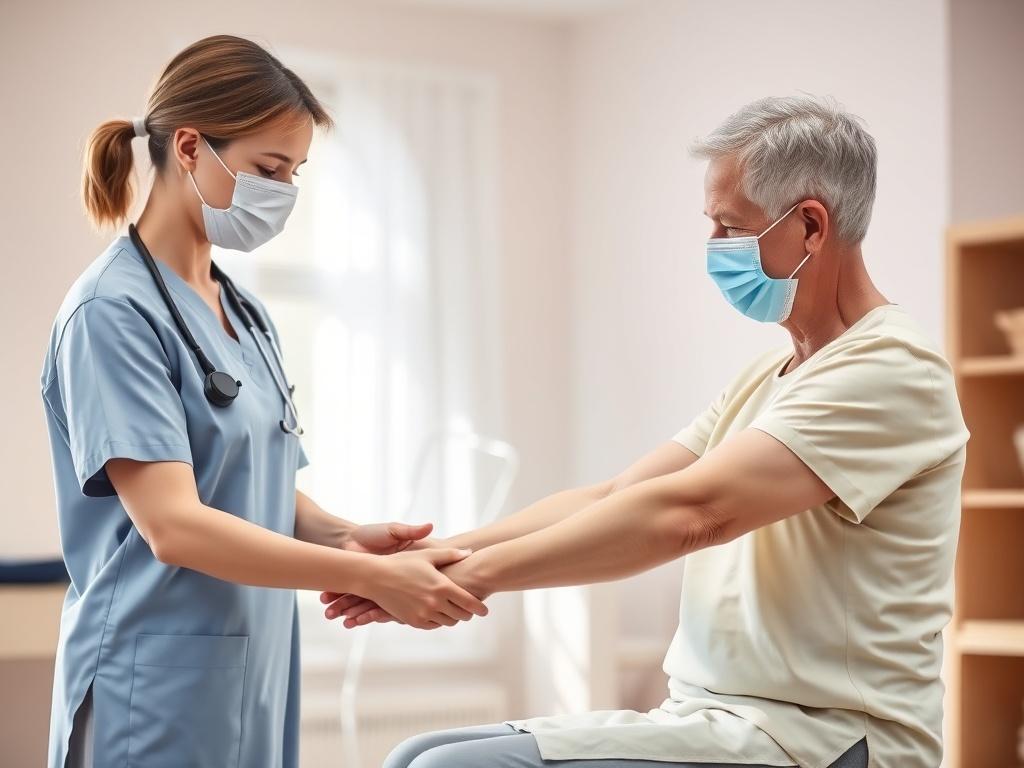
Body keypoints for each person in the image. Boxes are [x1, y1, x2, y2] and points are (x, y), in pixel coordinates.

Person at [325, 95, 970, 768]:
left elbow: (692, 513)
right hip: (720, 718)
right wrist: (441, 557)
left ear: (810, 225)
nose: (713, 247)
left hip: (828, 737)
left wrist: (470, 580)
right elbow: (617, 496)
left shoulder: (890, 369)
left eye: (730, 226)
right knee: (418, 753)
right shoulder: (769, 376)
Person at [40, 34, 486, 768]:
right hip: (150, 681)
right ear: (190, 147)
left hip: (253, 668)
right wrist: (371, 578)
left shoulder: (243, 313)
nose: (283, 193)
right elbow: (174, 525)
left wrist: (346, 537)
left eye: (294, 173)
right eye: (269, 169)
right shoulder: (111, 312)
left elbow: (254, 482)